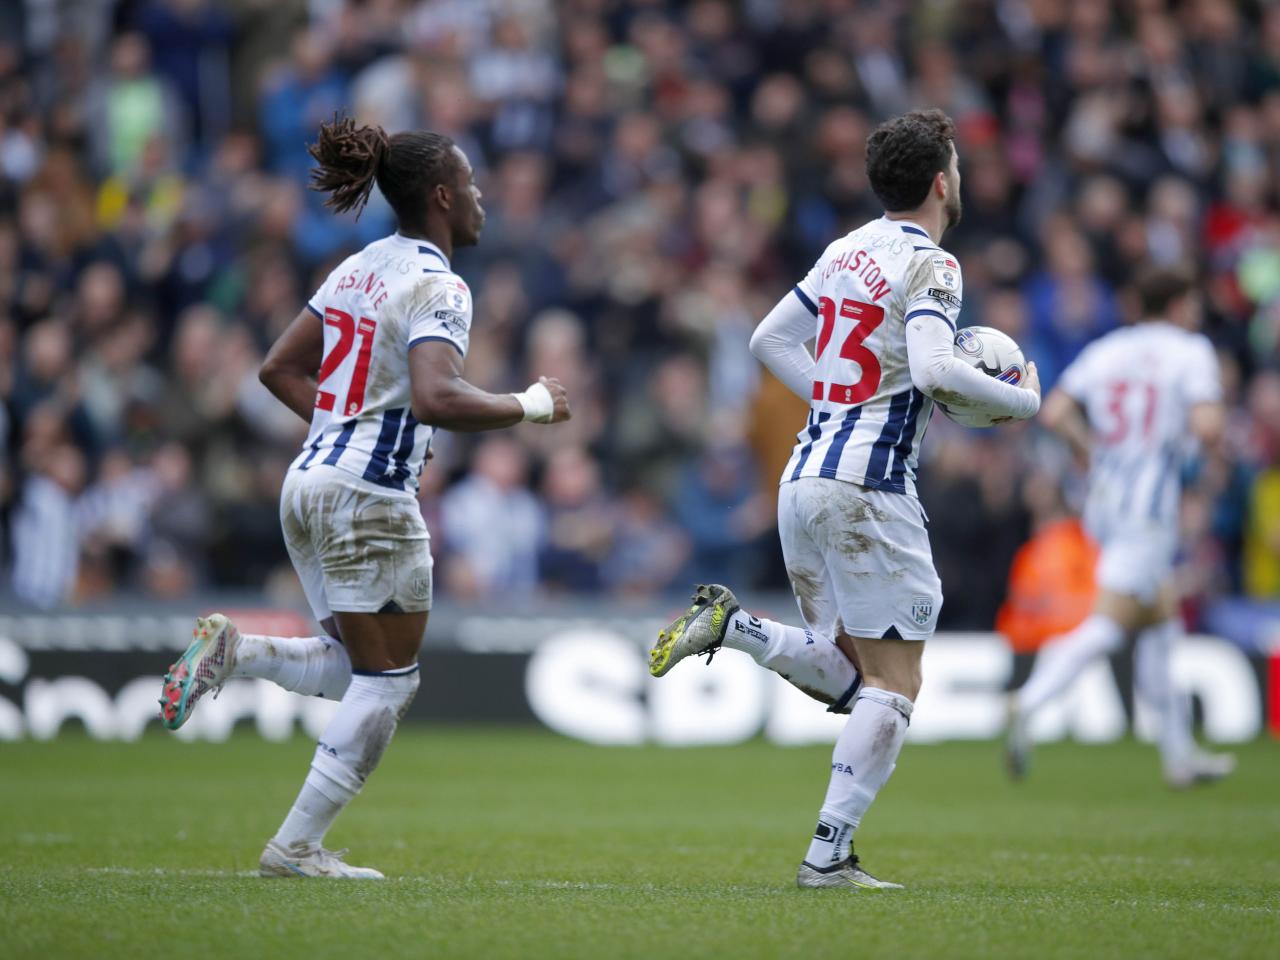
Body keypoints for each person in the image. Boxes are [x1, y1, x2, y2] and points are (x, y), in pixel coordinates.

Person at [157, 116, 570, 878]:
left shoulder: (356, 267)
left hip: (308, 484)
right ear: (442, 196)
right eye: (473, 185)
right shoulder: (439, 283)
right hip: (369, 496)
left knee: (358, 670)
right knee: (389, 683)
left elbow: (277, 368)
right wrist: (531, 404)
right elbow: (437, 394)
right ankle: (295, 848)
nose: (481, 199)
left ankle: (238, 651)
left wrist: (344, 424)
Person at [648, 110, 1040, 890]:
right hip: (869, 487)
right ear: (941, 181)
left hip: (804, 479)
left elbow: (769, 341)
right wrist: (1021, 400)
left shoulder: (844, 249)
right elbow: (932, 370)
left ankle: (737, 625)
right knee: (895, 687)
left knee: (852, 673)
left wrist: (835, 404)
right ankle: (827, 856)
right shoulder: (936, 266)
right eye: (956, 168)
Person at [1004, 266, 1235, 789]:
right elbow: (1207, 425)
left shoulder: (1107, 350)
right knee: (1110, 622)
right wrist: (1207, 447)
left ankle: (1180, 756)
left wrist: (1092, 452)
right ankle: (1030, 700)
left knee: (1160, 623)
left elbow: (1056, 411)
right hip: (1149, 505)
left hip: (1104, 500)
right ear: (1179, 305)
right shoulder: (1190, 350)